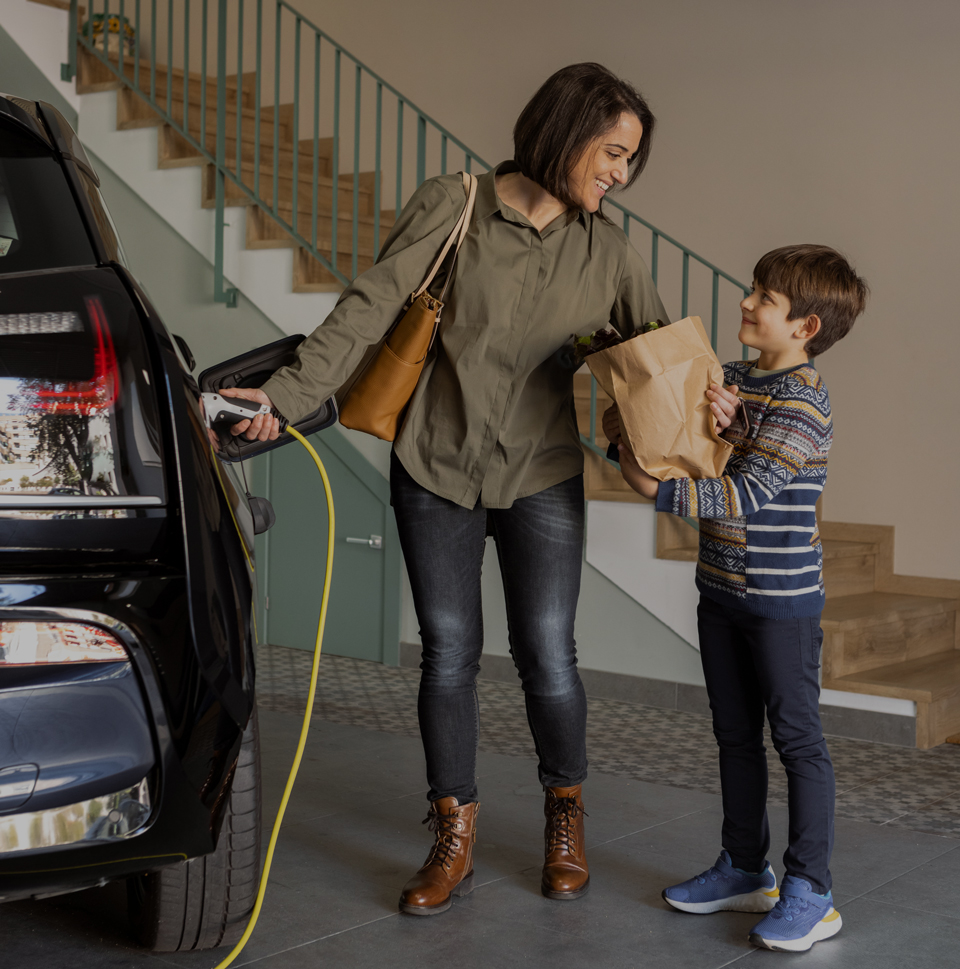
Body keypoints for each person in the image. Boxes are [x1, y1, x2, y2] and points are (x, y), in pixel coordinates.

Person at [222, 62, 739, 917]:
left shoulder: (606, 249)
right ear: (567, 130)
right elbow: (367, 306)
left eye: (629, 162)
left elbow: (659, 364)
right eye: (612, 152)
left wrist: (721, 411)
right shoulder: (454, 204)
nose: (619, 174)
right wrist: (282, 399)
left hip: (541, 472)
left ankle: (563, 814)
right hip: (435, 464)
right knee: (449, 653)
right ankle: (452, 828)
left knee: (549, 656)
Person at [609, 244, 868, 953]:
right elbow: (680, 435)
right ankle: (745, 868)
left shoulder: (805, 402)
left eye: (766, 298)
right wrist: (632, 425)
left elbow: (746, 494)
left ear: (805, 326)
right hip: (720, 589)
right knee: (733, 735)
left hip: (782, 602)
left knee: (797, 740)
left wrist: (650, 487)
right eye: (753, 288)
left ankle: (810, 890)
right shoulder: (732, 377)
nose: (747, 302)